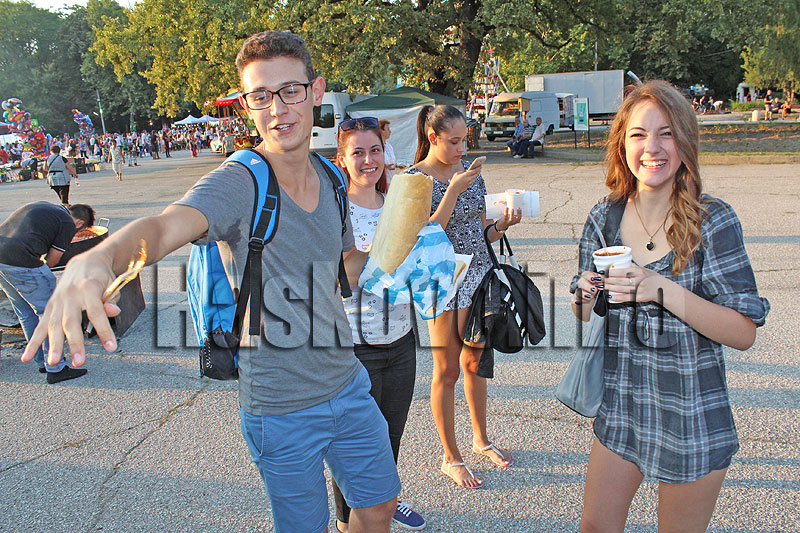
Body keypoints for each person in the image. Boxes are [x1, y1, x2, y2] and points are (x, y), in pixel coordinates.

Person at [21, 30, 399, 532]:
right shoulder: (241, 181)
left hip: (348, 383)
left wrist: (392, 251)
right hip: (280, 407)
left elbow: (338, 272)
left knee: (378, 506)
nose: (277, 109)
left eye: (289, 90)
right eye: (260, 96)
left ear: (315, 91)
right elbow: (164, 227)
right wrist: (98, 260)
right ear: (246, 105)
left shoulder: (332, 178)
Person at [570, 80, 770, 532]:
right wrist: (585, 294)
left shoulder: (711, 219)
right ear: (622, 144)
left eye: (666, 133)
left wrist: (660, 288)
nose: (652, 148)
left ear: (685, 141)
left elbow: (743, 332)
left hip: (690, 414)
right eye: (639, 134)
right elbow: (584, 314)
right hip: (622, 407)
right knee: (594, 527)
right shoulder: (604, 216)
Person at [407, 105, 522, 489]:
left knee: (474, 363)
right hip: (442, 282)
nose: (462, 149)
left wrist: (503, 224)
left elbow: (483, 231)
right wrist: (453, 190)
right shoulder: (414, 180)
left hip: (479, 277)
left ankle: (480, 439)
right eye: (454, 142)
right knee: (447, 371)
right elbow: (423, 235)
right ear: (433, 137)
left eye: (464, 141)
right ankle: (450, 457)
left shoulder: (471, 173)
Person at [333, 116, 425, 531]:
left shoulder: (397, 204)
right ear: (342, 159)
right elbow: (339, 278)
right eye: (358, 152)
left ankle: (385, 501)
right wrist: (381, 248)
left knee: (390, 435)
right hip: (355, 346)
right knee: (353, 444)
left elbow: (412, 269)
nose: (368, 160)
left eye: (375, 150)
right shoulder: (336, 212)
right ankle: (347, 520)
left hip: (401, 340)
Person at [0, 202, 95, 384]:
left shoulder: (43, 206)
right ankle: (56, 368)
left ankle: (41, 362)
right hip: (21, 261)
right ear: (80, 223)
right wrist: (42, 275)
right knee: (51, 314)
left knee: (25, 312)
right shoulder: (67, 222)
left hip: (2, 258)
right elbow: (53, 259)